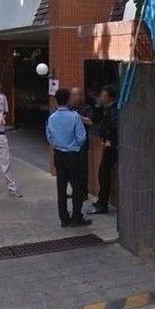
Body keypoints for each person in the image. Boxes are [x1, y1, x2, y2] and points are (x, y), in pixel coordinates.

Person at [46, 88, 91, 228]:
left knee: (61, 187)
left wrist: (58, 144)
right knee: (77, 187)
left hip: (59, 155)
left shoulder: (52, 117)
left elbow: (49, 136)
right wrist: (75, 146)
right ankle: (76, 217)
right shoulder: (74, 117)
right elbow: (82, 137)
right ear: (68, 99)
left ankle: (64, 219)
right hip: (73, 155)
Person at [88, 85, 118, 214]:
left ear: (110, 97)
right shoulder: (107, 108)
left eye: (104, 96)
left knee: (104, 174)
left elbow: (115, 128)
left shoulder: (113, 111)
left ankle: (102, 203)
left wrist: (111, 142)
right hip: (108, 144)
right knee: (102, 173)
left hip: (112, 147)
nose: (101, 98)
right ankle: (101, 201)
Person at [68, 87, 93, 217]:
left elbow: (90, 121)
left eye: (76, 95)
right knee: (73, 169)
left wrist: (78, 117)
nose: (74, 98)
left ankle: (83, 193)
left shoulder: (85, 108)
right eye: (72, 95)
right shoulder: (69, 108)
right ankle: (75, 191)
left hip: (82, 144)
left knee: (82, 169)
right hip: (71, 144)